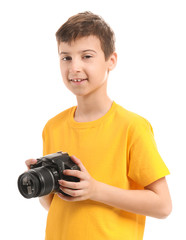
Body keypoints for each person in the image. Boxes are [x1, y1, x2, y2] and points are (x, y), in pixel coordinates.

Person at [26, 11, 172, 240]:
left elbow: (163, 205)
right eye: (66, 57)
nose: (74, 67)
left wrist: (95, 190)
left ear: (110, 60)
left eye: (86, 56)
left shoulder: (132, 127)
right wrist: (41, 183)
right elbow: (56, 206)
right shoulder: (53, 127)